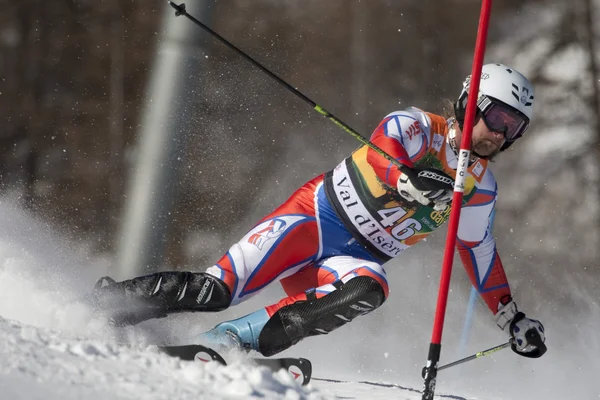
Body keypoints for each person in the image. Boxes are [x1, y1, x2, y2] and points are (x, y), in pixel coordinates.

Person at [93, 63, 546, 359]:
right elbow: (381, 148)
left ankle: (229, 342)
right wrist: (403, 178)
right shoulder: (416, 127)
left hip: (355, 258)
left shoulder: (480, 187)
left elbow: (478, 251)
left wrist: (510, 315)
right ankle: (107, 305)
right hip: (313, 219)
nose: (500, 135)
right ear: (471, 103)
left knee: (370, 287)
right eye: (499, 119)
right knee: (217, 290)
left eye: (514, 129)